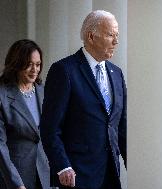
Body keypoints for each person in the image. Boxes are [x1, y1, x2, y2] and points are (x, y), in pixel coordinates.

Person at [40, 10, 127, 189]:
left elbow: (121, 127)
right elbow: (50, 127)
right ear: (91, 36)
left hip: (111, 174)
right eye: (110, 35)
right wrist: (62, 165)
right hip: (77, 176)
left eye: (117, 36)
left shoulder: (117, 74)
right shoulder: (64, 71)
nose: (116, 42)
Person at [0, 39, 50, 189]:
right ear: (16, 64)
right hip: (15, 178)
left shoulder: (45, 91)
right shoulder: (2, 95)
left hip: (46, 176)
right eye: (29, 64)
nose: (34, 69)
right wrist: (16, 183)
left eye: (38, 64)